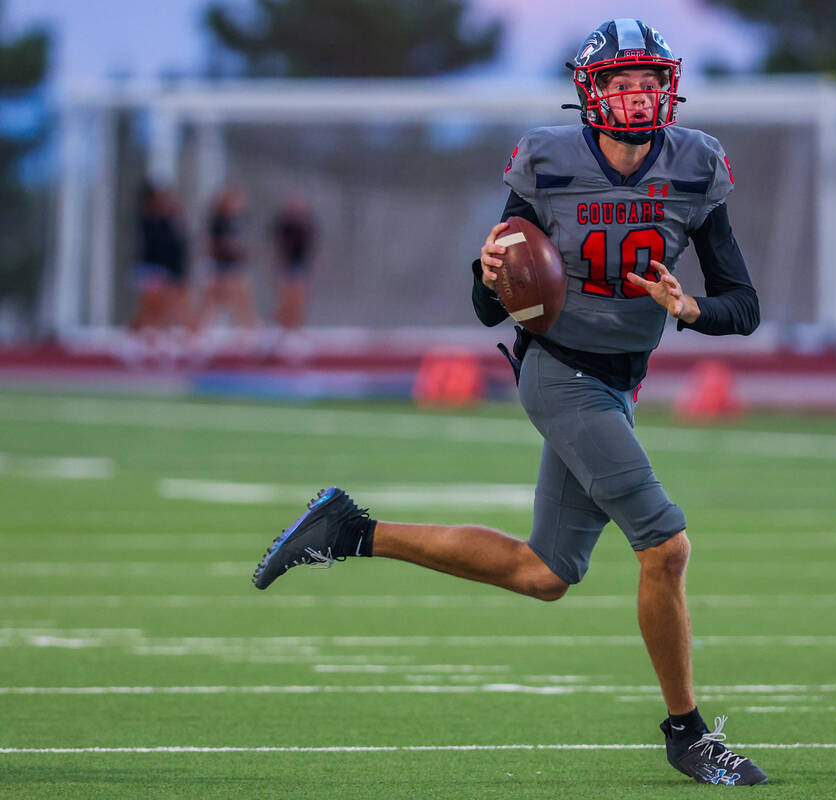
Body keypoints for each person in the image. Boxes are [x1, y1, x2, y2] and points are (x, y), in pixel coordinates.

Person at [252, 19, 766, 787]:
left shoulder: (696, 165)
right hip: (559, 373)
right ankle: (687, 733)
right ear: (591, 93)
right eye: (622, 82)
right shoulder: (547, 160)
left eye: (648, 81)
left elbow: (744, 306)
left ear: (670, 86)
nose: (637, 96)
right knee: (666, 546)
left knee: (545, 572)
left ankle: (353, 531)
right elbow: (490, 305)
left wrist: (689, 309)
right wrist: (488, 272)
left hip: (620, 384)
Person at [191, 185, 258, 334]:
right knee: (215, 301)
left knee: (239, 299)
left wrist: (242, 251)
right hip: (219, 266)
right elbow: (213, 245)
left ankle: (249, 332)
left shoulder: (241, 219)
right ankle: (196, 332)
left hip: (234, 266)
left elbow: (243, 243)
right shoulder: (217, 220)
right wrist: (231, 248)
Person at [129, 183, 189, 334]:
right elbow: (156, 247)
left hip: (168, 269)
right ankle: (141, 335)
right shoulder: (147, 219)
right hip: (152, 269)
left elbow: (179, 248)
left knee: (160, 308)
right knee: (152, 308)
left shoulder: (170, 220)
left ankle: (154, 335)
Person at [272, 194, 317, 331]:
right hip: (287, 263)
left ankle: (296, 326)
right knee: (286, 296)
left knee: (299, 296)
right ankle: (282, 325)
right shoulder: (283, 224)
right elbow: (278, 246)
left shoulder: (308, 223)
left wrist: (313, 264)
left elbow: (311, 246)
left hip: (301, 263)